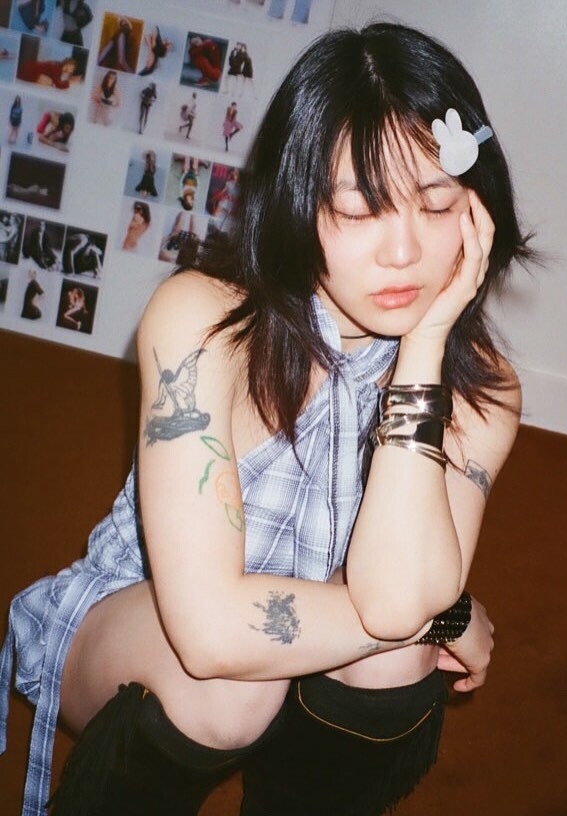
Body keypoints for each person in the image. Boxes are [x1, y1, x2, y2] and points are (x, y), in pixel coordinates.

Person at [0, 23, 532, 816]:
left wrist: (423, 349)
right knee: (232, 687)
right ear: (297, 205)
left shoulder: (483, 391)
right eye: (358, 209)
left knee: (391, 662)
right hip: (149, 626)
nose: (403, 252)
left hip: (322, 649)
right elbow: (211, 633)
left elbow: (394, 607)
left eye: (435, 203)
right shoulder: (202, 319)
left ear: (477, 209)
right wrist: (441, 614)